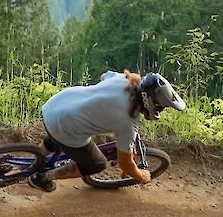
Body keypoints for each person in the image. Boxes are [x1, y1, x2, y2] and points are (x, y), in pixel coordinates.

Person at [29, 70, 185, 192]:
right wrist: (140, 175)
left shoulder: (124, 79)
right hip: (63, 125)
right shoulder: (128, 122)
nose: (160, 110)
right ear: (151, 102)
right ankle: (42, 177)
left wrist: (101, 99)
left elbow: (105, 76)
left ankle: (36, 161)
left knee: (63, 133)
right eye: (161, 107)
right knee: (96, 164)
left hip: (56, 105)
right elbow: (125, 165)